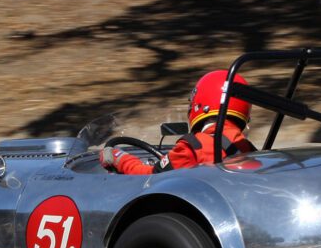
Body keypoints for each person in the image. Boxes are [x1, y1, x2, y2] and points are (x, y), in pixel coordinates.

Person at [100, 70, 256, 174]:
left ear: (200, 104)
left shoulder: (195, 146)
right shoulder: (248, 148)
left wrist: (120, 158)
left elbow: (150, 177)